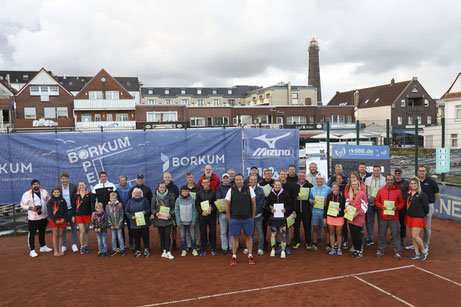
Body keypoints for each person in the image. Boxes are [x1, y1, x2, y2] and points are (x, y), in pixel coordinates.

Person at [226, 174, 257, 265]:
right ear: (235, 181)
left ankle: (250, 255)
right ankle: (234, 256)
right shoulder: (231, 190)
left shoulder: (249, 189)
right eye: (237, 180)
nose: (239, 181)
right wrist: (229, 218)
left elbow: (253, 204)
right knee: (235, 237)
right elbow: (227, 205)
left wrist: (253, 217)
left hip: (247, 218)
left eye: (240, 179)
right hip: (235, 219)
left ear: (243, 180)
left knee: (249, 236)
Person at [375, 174, 405, 260]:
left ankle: (397, 252)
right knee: (381, 235)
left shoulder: (398, 191)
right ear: (386, 181)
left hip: (394, 218)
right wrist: (381, 206)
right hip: (383, 217)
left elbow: (402, 203)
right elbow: (376, 201)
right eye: (388, 180)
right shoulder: (380, 191)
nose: (390, 181)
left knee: (396, 236)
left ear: (393, 181)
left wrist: (397, 207)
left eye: (391, 180)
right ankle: (380, 250)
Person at [20, 179, 52, 257]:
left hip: (43, 216)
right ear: (32, 185)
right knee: (32, 234)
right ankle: (32, 250)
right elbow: (22, 204)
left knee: (42, 232)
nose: (36, 185)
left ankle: (43, 246)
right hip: (33, 218)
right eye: (34, 184)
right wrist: (30, 208)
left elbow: (49, 201)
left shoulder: (44, 192)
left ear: (39, 184)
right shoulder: (27, 194)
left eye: (37, 184)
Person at [410, 166, 439, 254]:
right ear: (417, 172)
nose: (421, 172)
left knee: (426, 227)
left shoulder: (431, 181)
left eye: (423, 171)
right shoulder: (415, 181)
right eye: (420, 171)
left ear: (426, 172)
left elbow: (436, 194)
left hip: (428, 206)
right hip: (417, 207)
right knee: (415, 225)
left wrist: (431, 203)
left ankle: (425, 244)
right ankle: (415, 242)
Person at [265, 180, 291, 259]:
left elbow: (290, 204)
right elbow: (266, 206)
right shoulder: (270, 195)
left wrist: (286, 210)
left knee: (283, 234)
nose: (277, 186)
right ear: (273, 185)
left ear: (281, 186)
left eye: (279, 185)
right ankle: (273, 249)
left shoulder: (285, 194)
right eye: (276, 185)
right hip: (273, 218)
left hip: (282, 218)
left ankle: (283, 250)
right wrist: (270, 210)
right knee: (273, 234)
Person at [405, 177, 430, 260]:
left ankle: (423, 251)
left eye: (415, 183)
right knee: (413, 237)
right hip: (409, 217)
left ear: (418, 184)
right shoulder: (408, 193)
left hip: (418, 218)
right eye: (411, 183)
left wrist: (421, 215)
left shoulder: (422, 194)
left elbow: (426, 208)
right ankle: (416, 253)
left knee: (415, 236)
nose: (413, 185)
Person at [54, 173, 78, 253]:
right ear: (61, 179)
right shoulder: (58, 187)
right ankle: (63, 245)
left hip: (72, 210)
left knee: (74, 227)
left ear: (68, 179)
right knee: (63, 228)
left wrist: (75, 212)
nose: (64, 180)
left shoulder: (73, 187)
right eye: (63, 179)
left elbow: (76, 199)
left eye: (66, 178)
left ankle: (74, 244)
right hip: (63, 212)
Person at [152, 181, 176, 260]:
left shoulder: (170, 196)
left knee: (167, 235)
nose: (162, 188)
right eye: (161, 187)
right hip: (159, 220)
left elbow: (173, 207)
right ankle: (164, 250)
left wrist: (171, 214)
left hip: (168, 220)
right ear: (158, 188)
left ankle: (168, 251)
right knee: (161, 236)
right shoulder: (155, 197)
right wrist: (155, 213)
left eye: (163, 187)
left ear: (165, 188)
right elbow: (152, 208)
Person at [125, 188, 151, 258]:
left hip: (144, 222)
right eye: (136, 193)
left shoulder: (145, 200)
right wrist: (131, 216)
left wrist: (145, 212)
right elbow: (126, 211)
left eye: (139, 193)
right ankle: (138, 250)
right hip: (134, 223)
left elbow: (149, 209)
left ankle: (146, 249)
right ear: (133, 194)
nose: (137, 194)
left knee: (145, 237)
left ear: (141, 194)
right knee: (136, 237)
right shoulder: (130, 201)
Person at [308, 175, 332, 251]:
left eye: (321, 179)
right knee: (315, 227)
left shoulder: (328, 189)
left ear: (323, 180)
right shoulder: (312, 189)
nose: (319, 180)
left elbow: (331, 198)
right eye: (317, 179)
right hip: (315, 211)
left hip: (324, 212)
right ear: (316, 180)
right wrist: (312, 201)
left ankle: (328, 244)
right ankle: (315, 243)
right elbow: (310, 198)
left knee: (326, 228)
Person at [346, 179, 368, 258]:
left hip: (358, 217)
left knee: (357, 234)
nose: (354, 186)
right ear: (351, 185)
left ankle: (359, 251)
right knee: (353, 234)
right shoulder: (350, 193)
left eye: (356, 184)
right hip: (350, 217)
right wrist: (346, 209)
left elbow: (365, 206)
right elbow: (347, 203)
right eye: (353, 184)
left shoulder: (362, 194)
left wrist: (358, 213)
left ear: (358, 185)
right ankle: (355, 249)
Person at [195, 177, 218, 256]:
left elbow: (216, 205)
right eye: (204, 182)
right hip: (203, 216)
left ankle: (213, 248)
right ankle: (203, 249)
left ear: (209, 183)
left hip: (212, 216)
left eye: (207, 182)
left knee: (212, 232)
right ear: (201, 183)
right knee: (203, 232)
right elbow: (197, 205)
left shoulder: (213, 193)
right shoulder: (199, 193)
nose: (205, 184)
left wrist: (212, 209)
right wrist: (202, 212)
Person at [364, 166, 386, 246]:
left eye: (378, 170)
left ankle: (381, 238)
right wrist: (368, 199)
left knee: (381, 222)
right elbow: (365, 191)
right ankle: (370, 238)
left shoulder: (385, 180)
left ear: (380, 171)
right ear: (372, 171)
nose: (376, 172)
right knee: (370, 221)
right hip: (370, 203)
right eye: (374, 170)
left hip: (381, 204)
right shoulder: (368, 179)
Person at [175, 186, 199, 257]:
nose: (184, 193)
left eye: (186, 191)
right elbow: (176, 211)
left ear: (188, 191)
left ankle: (194, 249)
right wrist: (178, 222)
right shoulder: (178, 200)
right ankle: (184, 250)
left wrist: (193, 221)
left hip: (191, 222)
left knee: (193, 236)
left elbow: (194, 211)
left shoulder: (192, 199)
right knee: (183, 237)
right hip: (181, 223)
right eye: (183, 191)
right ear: (181, 192)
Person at [293, 171, 314, 250]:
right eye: (300, 176)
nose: (301, 177)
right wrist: (296, 198)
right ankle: (297, 242)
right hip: (297, 211)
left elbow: (311, 197)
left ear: (305, 177)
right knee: (296, 227)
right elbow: (292, 197)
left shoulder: (310, 186)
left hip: (307, 210)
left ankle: (308, 242)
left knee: (307, 227)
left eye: (303, 176)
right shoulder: (294, 186)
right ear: (298, 177)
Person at [324, 182, 346, 255]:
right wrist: (325, 217)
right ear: (331, 188)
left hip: (339, 217)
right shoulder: (328, 196)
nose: (335, 189)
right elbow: (325, 207)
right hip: (330, 217)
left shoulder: (342, 196)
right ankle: (333, 248)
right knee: (331, 233)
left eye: (336, 187)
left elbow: (345, 207)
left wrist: (341, 209)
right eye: (333, 187)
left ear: (338, 188)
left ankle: (339, 248)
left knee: (339, 233)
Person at [71, 181, 92, 254]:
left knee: (86, 231)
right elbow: (73, 206)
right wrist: (73, 216)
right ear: (78, 186)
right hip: (78, 215)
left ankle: (86, 246)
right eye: (80, 185)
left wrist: (92, 213)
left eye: (82, 185)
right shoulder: (75, 195)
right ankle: (82, 247)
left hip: (87, 215)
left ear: (85, 185)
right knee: (82, 231)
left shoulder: (89, 194)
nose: (81, 186)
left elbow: (91, 205)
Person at [279, 169, 297, 255]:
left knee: (289, 229)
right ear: (279, 175)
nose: (283, 175)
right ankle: (280, 246)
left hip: (289, 210)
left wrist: (294, 211)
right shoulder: (276, 185)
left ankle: (287, 246)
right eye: (281, 174)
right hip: (279, 211)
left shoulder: (291, 186)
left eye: (284, 174)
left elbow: (294, 199)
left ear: (286, 175)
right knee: (280, 230)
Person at [46, 188, 67, 256]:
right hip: (54, 220)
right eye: (55, 192)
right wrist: (55, 220)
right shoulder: (50, 201)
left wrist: (63, 219)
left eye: (58, 192)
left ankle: (60, 249)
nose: (56, 193)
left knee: (61, 235)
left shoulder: (63, 200)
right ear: (52, 193)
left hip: (62, 220)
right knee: (55, 235)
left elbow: (65, 210)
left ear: (60, 193)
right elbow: (50, 212)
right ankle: (55, 251)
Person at [216, 173, 233, 255]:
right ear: (222, 179)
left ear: (229, 179)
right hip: (222, 213)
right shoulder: (219, 188)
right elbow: (219, 199)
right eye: (224, 178)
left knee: (232, 231)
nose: (225, 180)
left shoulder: (233, 187)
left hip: (232, 213)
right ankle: (224, 248)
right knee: (223, 231)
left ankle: (232, 247)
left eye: (227, 178)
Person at [249, 174, 265, 256]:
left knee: (260, 232)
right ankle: (249, 248)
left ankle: (260, 248)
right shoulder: (246, 189)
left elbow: (262, 202)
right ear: (249, 180)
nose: (253, 181)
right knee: (249, 233)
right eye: (252, 179)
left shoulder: (261, 190)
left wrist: (255, 212)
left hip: (258, 215)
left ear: (257, 180)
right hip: (248, 216)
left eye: (255, 180)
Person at [259, 168, 275, 251]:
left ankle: (274, 243)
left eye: (270, 173)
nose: (268, 174)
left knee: (273, 227)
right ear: (264, 174)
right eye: (267, 173)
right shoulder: (260, 183)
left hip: (273, 208)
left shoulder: (274, 182)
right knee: (263, 227)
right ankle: (264, 243)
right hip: (264, 208)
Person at [115, 175, 133, 249]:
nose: (123, 181)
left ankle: (131, 243)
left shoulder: (131, 187)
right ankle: (123, 244)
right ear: (119, 181)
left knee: (131, 228)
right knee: (121, 228)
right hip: (120, 211)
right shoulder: (116, 188)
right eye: (121, 180)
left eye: (124, 180)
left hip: (129, 210)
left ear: (126, 180)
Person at [163, 172, 180, 251]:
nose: (167, 178)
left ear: (170, 178)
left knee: (173, 228)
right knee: (163, 228)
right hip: (163, 211)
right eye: (166, 177)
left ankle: (174, 242)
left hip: (172, 211)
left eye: (168, 177)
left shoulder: (175, 187)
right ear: (164, 178)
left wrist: (173, 210)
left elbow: (177, 199)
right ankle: (163, 244)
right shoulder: (160, 186)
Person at [185, 172, 201, 248]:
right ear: (186, 179)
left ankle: (197, 244)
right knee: (188, 228)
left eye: (191, 177)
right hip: (187, 211)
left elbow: (200, 198)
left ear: (193, 178)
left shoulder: (198, 187)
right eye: (188, 177)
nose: (189, 179)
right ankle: (189, 244)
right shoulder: (184, 188)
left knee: (196, 227)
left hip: (196, 210)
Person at [106, 192, 125, 256]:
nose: (113, 199)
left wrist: (119, 225)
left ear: (116, 198)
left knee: (120, 237)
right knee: (113, 238)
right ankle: (114, 250)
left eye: (114, 198)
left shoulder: (119, 205)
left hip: (118, 225)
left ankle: (122, 249)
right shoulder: (107, 206)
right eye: (112, 198)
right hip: (112, 226)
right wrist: (110, 225)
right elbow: (107, 216)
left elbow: (122, 215)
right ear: (110, 198)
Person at [394, 168, 409, 246]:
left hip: (403, 206)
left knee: (402, 222)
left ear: (401, 174)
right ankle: (394, 238)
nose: (397, 174)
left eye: (399, 173)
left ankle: (402, 238)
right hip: (393, 207)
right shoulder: (391, 182)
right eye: (396, 173)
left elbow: (410, 193)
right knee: (393, 223)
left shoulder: (406, 182)